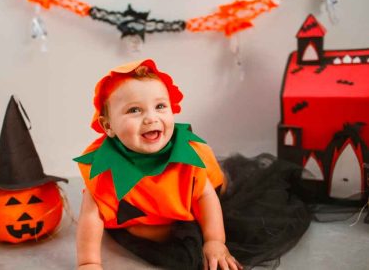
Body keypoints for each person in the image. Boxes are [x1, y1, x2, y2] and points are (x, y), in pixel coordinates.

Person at [74, 59, 310, 270]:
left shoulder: (187, 159)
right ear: (108, 127)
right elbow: (91, 217)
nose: (151, 118)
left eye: (160, 106)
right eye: (134, 110)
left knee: (221, 202)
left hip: (188, 216)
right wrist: (89, 262)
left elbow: (205, 198)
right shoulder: (102, 171)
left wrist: (215, 241)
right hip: (143, 225)